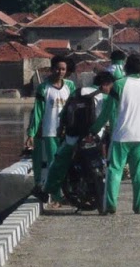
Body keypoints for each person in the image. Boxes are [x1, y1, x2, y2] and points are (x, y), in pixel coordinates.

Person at [94, 53, 140, 214]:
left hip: (121, 136)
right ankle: (138, 206)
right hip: (139, 135)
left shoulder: (119, 85)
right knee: (137, 172)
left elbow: (107, 112)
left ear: (125, 67)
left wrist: (93, 129)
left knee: (115, 170)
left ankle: (111, 204)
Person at [42, 73, 104, 209]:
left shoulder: (77, 93)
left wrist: (61, 130)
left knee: (58, 162)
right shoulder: (106, 95)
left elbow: (63, 114)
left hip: (74, 137)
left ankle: (46, 192)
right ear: (106, 85)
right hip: (96, 137)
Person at [25, 56, 75, 202]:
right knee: (54, 163)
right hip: (50, 132)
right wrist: (31, 133)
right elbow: (38, 112)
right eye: (58, 68)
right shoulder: (43, 88)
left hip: (66, 133)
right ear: (52, 69)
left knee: (66, 163)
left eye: (63, 69)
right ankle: (56, 195)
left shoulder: (70, 86)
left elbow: (73, 108)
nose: (60, 71)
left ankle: (64, 192)